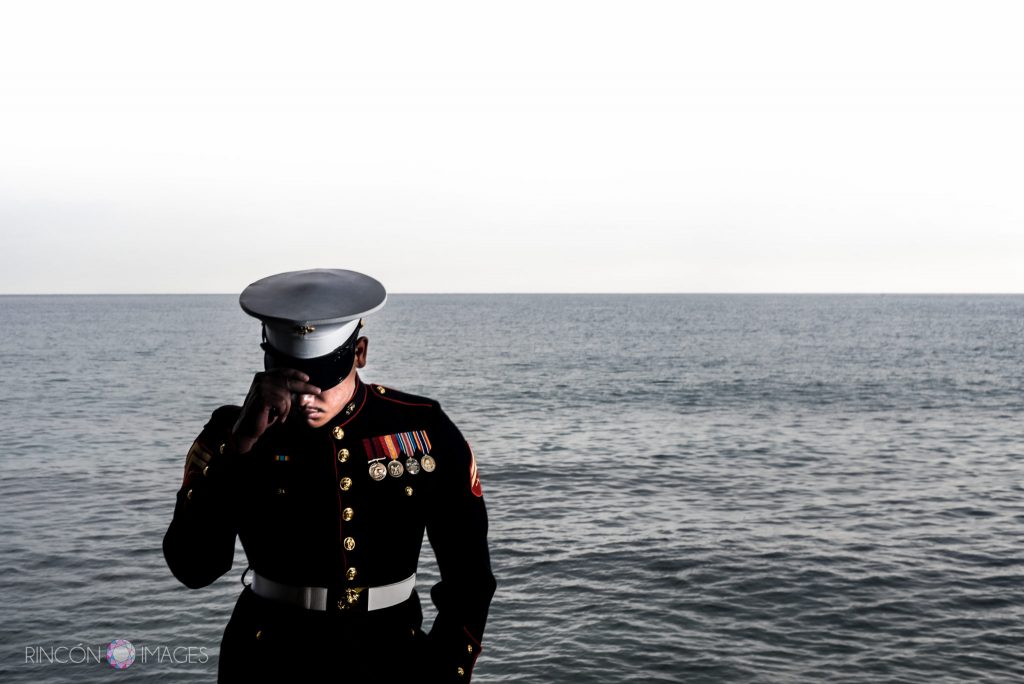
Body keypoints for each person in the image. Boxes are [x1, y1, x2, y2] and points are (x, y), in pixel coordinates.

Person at [162, 268, 496, 682]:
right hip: (268, 662)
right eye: (292, 381)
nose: (307, 399)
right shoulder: (231, 434)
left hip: (395, 659)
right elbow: (193, 568)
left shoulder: (422, 428)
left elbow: (470, 577)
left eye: (322, 381)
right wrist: (240, 446)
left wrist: (447, 671)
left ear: (360, 353)